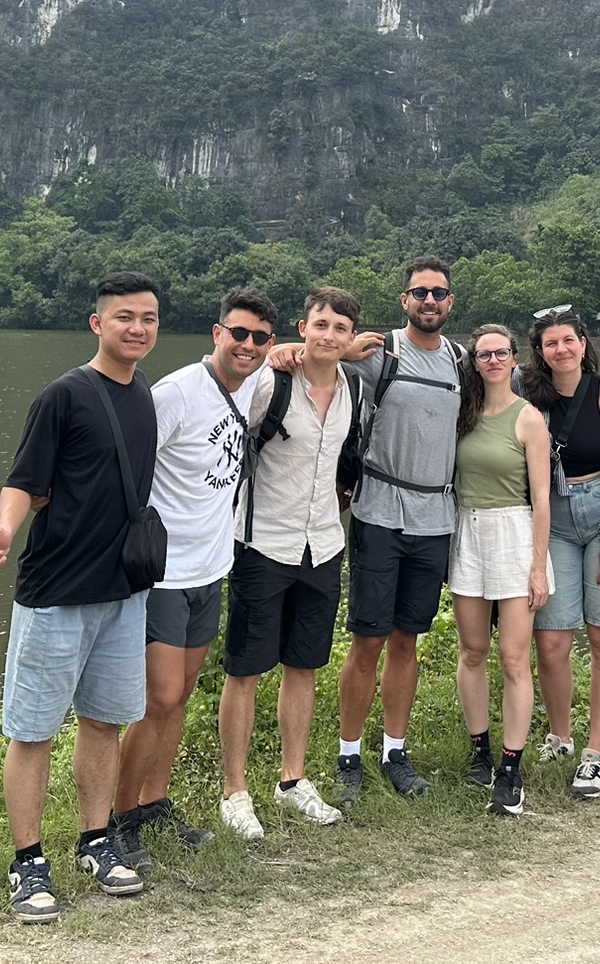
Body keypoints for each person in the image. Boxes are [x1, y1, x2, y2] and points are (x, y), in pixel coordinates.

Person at [0, 272, 164, 923]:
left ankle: (94, 840)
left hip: (122, 593)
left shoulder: (143, 392)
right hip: (56, 593)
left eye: (147, 318)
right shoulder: (64, 395)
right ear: (97, 324)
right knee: (32, 732)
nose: (137, 328)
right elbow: (26, 480)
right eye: (124, 318)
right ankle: (27, 862)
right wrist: (5, 529)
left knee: (104, 721)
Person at [108, 286, 278, 871]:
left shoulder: (254, 379)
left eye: (259, 337)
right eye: (238, 333)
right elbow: (124, 459)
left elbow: (304, 354)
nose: (247, 345)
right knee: (158, 699)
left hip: (212, 568)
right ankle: (117, 819)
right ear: (217, 333)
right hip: (164, 573)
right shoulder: (178, 392)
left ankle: (154, 802)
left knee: (178, 699)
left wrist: (344, 345)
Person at [214, 285, 364, 839]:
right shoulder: (268, 384)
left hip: (323, 545)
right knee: (244, 670)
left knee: (305, 666)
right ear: (303, 328)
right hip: (262, 545)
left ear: (349, 338)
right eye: (320, 325)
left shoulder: (353, 389)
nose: (329, 336)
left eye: (339, 329)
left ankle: (293, 779)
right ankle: (234, 790)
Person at [333, 255, 463, 800]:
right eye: (419, 293)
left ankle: (395, 751)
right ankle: (347, 758)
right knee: (368, 640)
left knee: (407, 640)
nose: (428, 301)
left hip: (436, 520)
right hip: (379, 513)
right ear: (404, 300)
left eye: (437, 293)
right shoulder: (377, 352)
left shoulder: (463, 360)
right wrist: (335, 348)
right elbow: (304, 366)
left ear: (450, 303)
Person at [524, 305, 600, 801]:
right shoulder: (532, 398)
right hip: (554, 520)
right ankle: (561, 736)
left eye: (569, 340)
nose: (562, 349)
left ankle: (596, 752)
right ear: (541, 352)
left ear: (584, 344)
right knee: (551, 641)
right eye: (552, 343)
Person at [448, 323, 553, 816]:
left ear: (515, 359)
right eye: (483, 354)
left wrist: (537, 567)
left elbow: (542, 499)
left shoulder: (529, 419)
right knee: (472, 651)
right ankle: (479, 751)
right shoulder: (463, 416)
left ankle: (511, 766)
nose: (492, 360)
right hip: (468, 533)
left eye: (500, 353)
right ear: (474, 361)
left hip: (514, 535)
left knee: (513, 658)